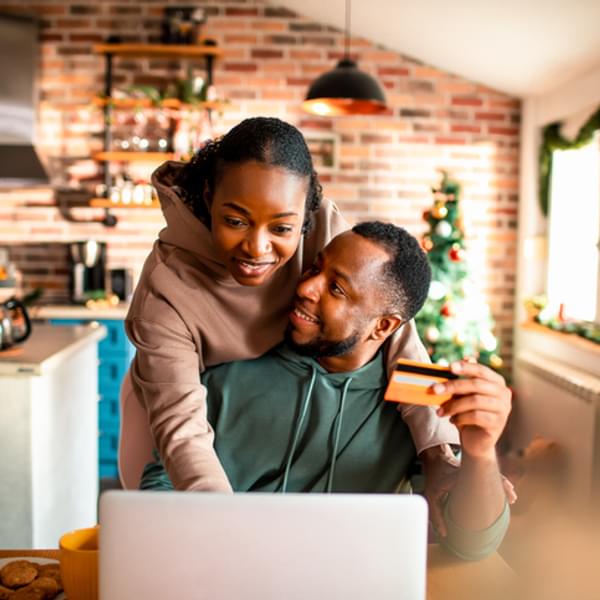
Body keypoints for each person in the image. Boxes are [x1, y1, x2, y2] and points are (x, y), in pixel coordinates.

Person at [125, 116, 458, 505]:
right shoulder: (166, 290)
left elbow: (395, 327)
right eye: (235, 221)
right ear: (209, 194)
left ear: (305, 212)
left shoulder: (322, 227)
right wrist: (222, 523)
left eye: (282, 229)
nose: (257, 247)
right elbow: (182, 431)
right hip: (179, 417)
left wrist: (439, 451)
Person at [141, 222, 511, 561]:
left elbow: (472, 543)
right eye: (315, 268)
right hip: (232, 571)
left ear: (383, 326)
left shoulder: (416, 403)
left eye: (336, 288)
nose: (305, 288)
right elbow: (162, 483)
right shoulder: (228, 373)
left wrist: (480, 452)